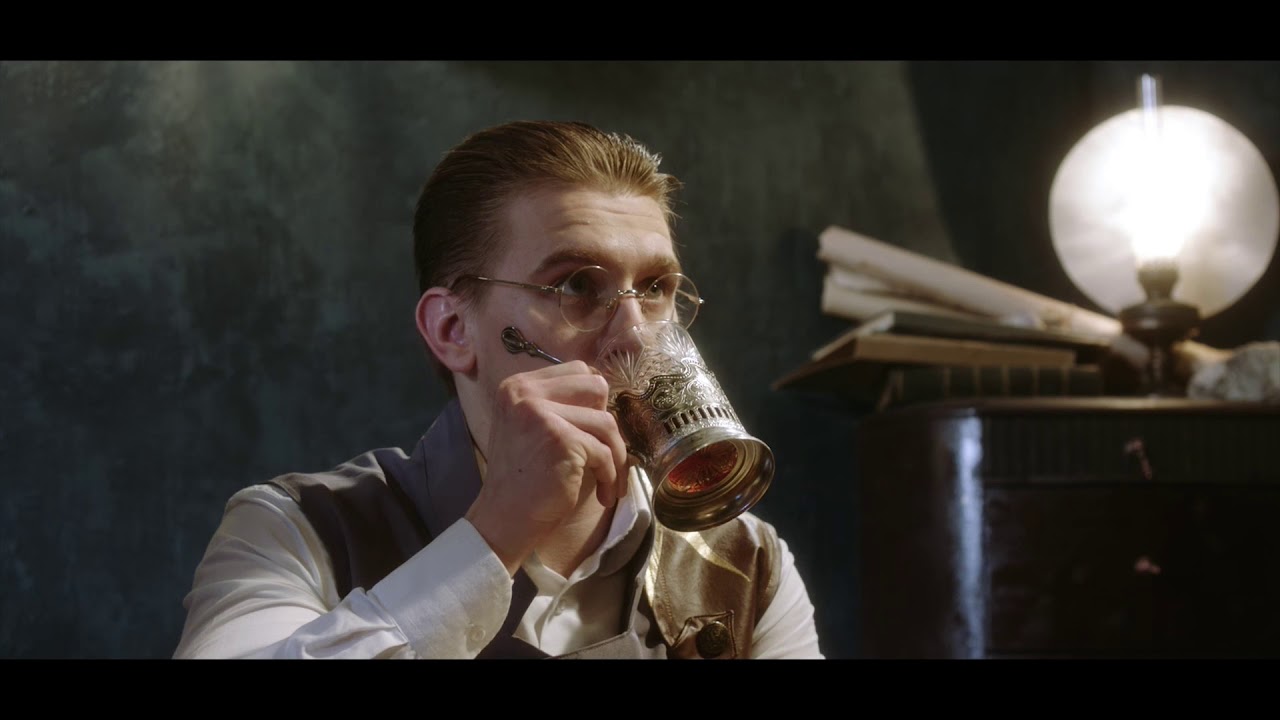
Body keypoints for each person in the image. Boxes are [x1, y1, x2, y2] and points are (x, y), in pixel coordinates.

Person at [173, 120, 823, 659]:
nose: (635, 335)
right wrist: (494, 534)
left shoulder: (747, 564)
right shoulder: (291, 531)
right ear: (453, 329)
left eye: (655, 288)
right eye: (577, 285)